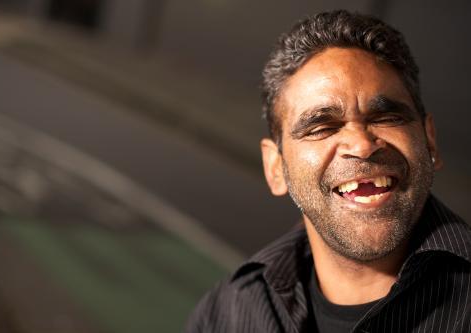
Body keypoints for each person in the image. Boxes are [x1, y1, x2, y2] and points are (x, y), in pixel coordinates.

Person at [185, 10, 471, 333]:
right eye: (321, 127)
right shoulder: (227, 315)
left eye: (387, 117)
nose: (361, 144)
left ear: (429, 140)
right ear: (275, 167)